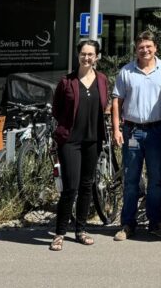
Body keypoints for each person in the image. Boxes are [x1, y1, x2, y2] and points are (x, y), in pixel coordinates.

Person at [111, 30, 161, 241]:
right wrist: (117, 130)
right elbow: (116, 102)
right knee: (131, 179)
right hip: (133, 131)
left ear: (155, 47)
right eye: (141, 47)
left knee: (156, 179)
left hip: (158, 130)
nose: (145, 50)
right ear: (136, 50)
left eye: (149, 46)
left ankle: (155, 222)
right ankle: (128, 224)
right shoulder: (126, 72)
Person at [49, 39, 109, 251]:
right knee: (71, 187)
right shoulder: (67, 81)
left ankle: (81, 230)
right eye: (83, 54)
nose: (86, 58)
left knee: (87, 185)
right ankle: (59, 233)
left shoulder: (102, 80)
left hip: (93, 140)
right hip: (70, 142)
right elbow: (56, 109)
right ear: (78, 55)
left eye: (90, 54)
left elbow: (104, 105)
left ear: (96, 57)